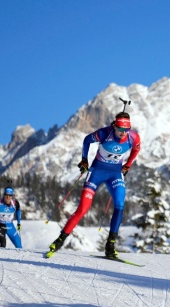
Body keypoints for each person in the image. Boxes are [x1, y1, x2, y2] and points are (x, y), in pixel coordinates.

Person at [48, 111, 141, 258]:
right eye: (120, 129)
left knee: (120, 205)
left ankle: (110, 246)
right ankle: (59, 241)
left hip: (115, 174)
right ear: (114, 126)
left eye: (126, 130)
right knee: (83, 209)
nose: (123, 133)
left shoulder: (133, 137)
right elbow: (86, 140)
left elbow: (136, 149)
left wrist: (128, 165)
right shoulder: (104, 133)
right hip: (96, 172)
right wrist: (84, 160)